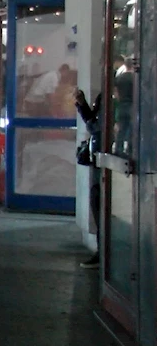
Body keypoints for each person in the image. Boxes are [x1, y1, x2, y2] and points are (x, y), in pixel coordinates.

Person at [76, 89, 102, 269]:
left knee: (100, 202)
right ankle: (103, 252)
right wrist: (83, 106)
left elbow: (97, 126)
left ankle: (105, 253)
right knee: (98, 201)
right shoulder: (106, 95)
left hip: (106, 157)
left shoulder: (123, 97)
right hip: (100, 157)